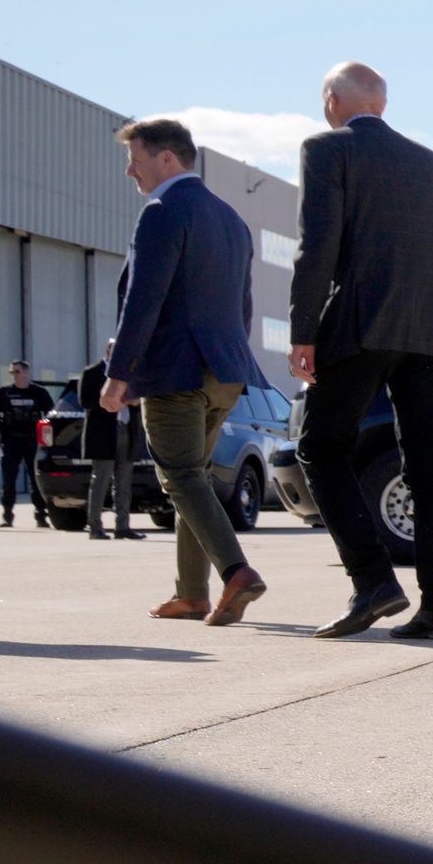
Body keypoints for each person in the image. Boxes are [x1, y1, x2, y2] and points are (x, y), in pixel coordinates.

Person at [291, 61, 433, 642]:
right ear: (383, 104)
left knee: (320, 447)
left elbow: (317, 245)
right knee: (429, 464)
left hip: (363, 324)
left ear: (331, 100)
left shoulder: (326, 149)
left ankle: (373, 581)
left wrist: (304, 333)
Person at [102, 117, 273, 626]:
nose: (130, 170)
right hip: (225, 372)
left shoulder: (162, 211)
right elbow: (242, 306)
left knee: (178, 476)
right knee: (193, 478)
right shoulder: (231, 219)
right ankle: (192, 593)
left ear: (167, 158)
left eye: (135, 158)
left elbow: (143, 300)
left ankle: (236, 572)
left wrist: (120, 372)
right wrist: (231, 362)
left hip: (177, 372)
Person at [75, 355, 142, 540]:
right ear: (109, 351)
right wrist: (109, 399)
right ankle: (95, 526)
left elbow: (140, 400)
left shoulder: (132, 373)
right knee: (101, 480)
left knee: (124, 482)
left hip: (126, 431)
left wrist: (135, 401)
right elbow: (85, 401)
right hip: (104, 434)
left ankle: (123, 527)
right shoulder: (92, 372)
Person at [0, 362, 52, 528]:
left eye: (17, 371)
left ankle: (41, 516)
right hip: (11, 442)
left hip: (32, 442)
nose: (14, 374)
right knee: (8, 481)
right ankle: (7, 516)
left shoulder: (39, 392)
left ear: (26, 372)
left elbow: (51, 414)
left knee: (35, 480)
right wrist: (1, 430)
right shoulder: (4, 392)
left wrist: (44, 435)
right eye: (12, 372)